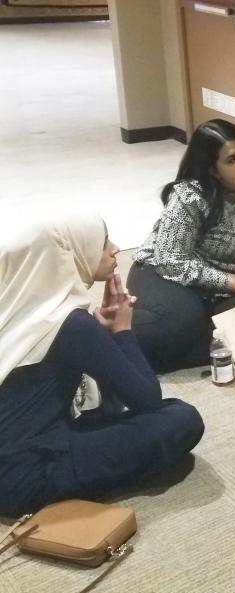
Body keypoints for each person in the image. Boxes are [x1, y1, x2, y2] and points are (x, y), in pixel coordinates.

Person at [0, 209, 204, 517]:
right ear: (69, 255)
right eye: (102, 241)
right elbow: (147, 399)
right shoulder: (71, 323)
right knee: (180, 419)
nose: (114, 248)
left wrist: (100, 338)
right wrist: (122, 330)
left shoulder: (20, 310)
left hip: (17, 455)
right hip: (24, 477)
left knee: (114, 411)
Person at [129, 119, 235, 373]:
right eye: (232, 159)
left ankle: (177, 353)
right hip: (168, 273)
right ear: (213, 170)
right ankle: (132, 347)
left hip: (225, 290)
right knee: (181, 320)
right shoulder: (190, 195)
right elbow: (171, 260)